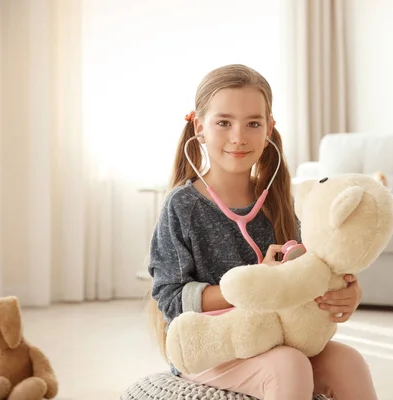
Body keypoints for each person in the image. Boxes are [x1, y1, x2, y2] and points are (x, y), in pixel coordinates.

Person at [147, 64, 378, 400]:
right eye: (224, 122)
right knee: (289, 365)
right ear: (200, 127)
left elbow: (318, 268)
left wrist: (347, 293)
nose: (239, 137)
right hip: (209, 345)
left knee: (348, 362)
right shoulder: (182, 206)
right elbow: (171, 299)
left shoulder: (282, 202)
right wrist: (256, 285)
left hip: (275, 336)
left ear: (269, 128)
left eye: (253, 123)